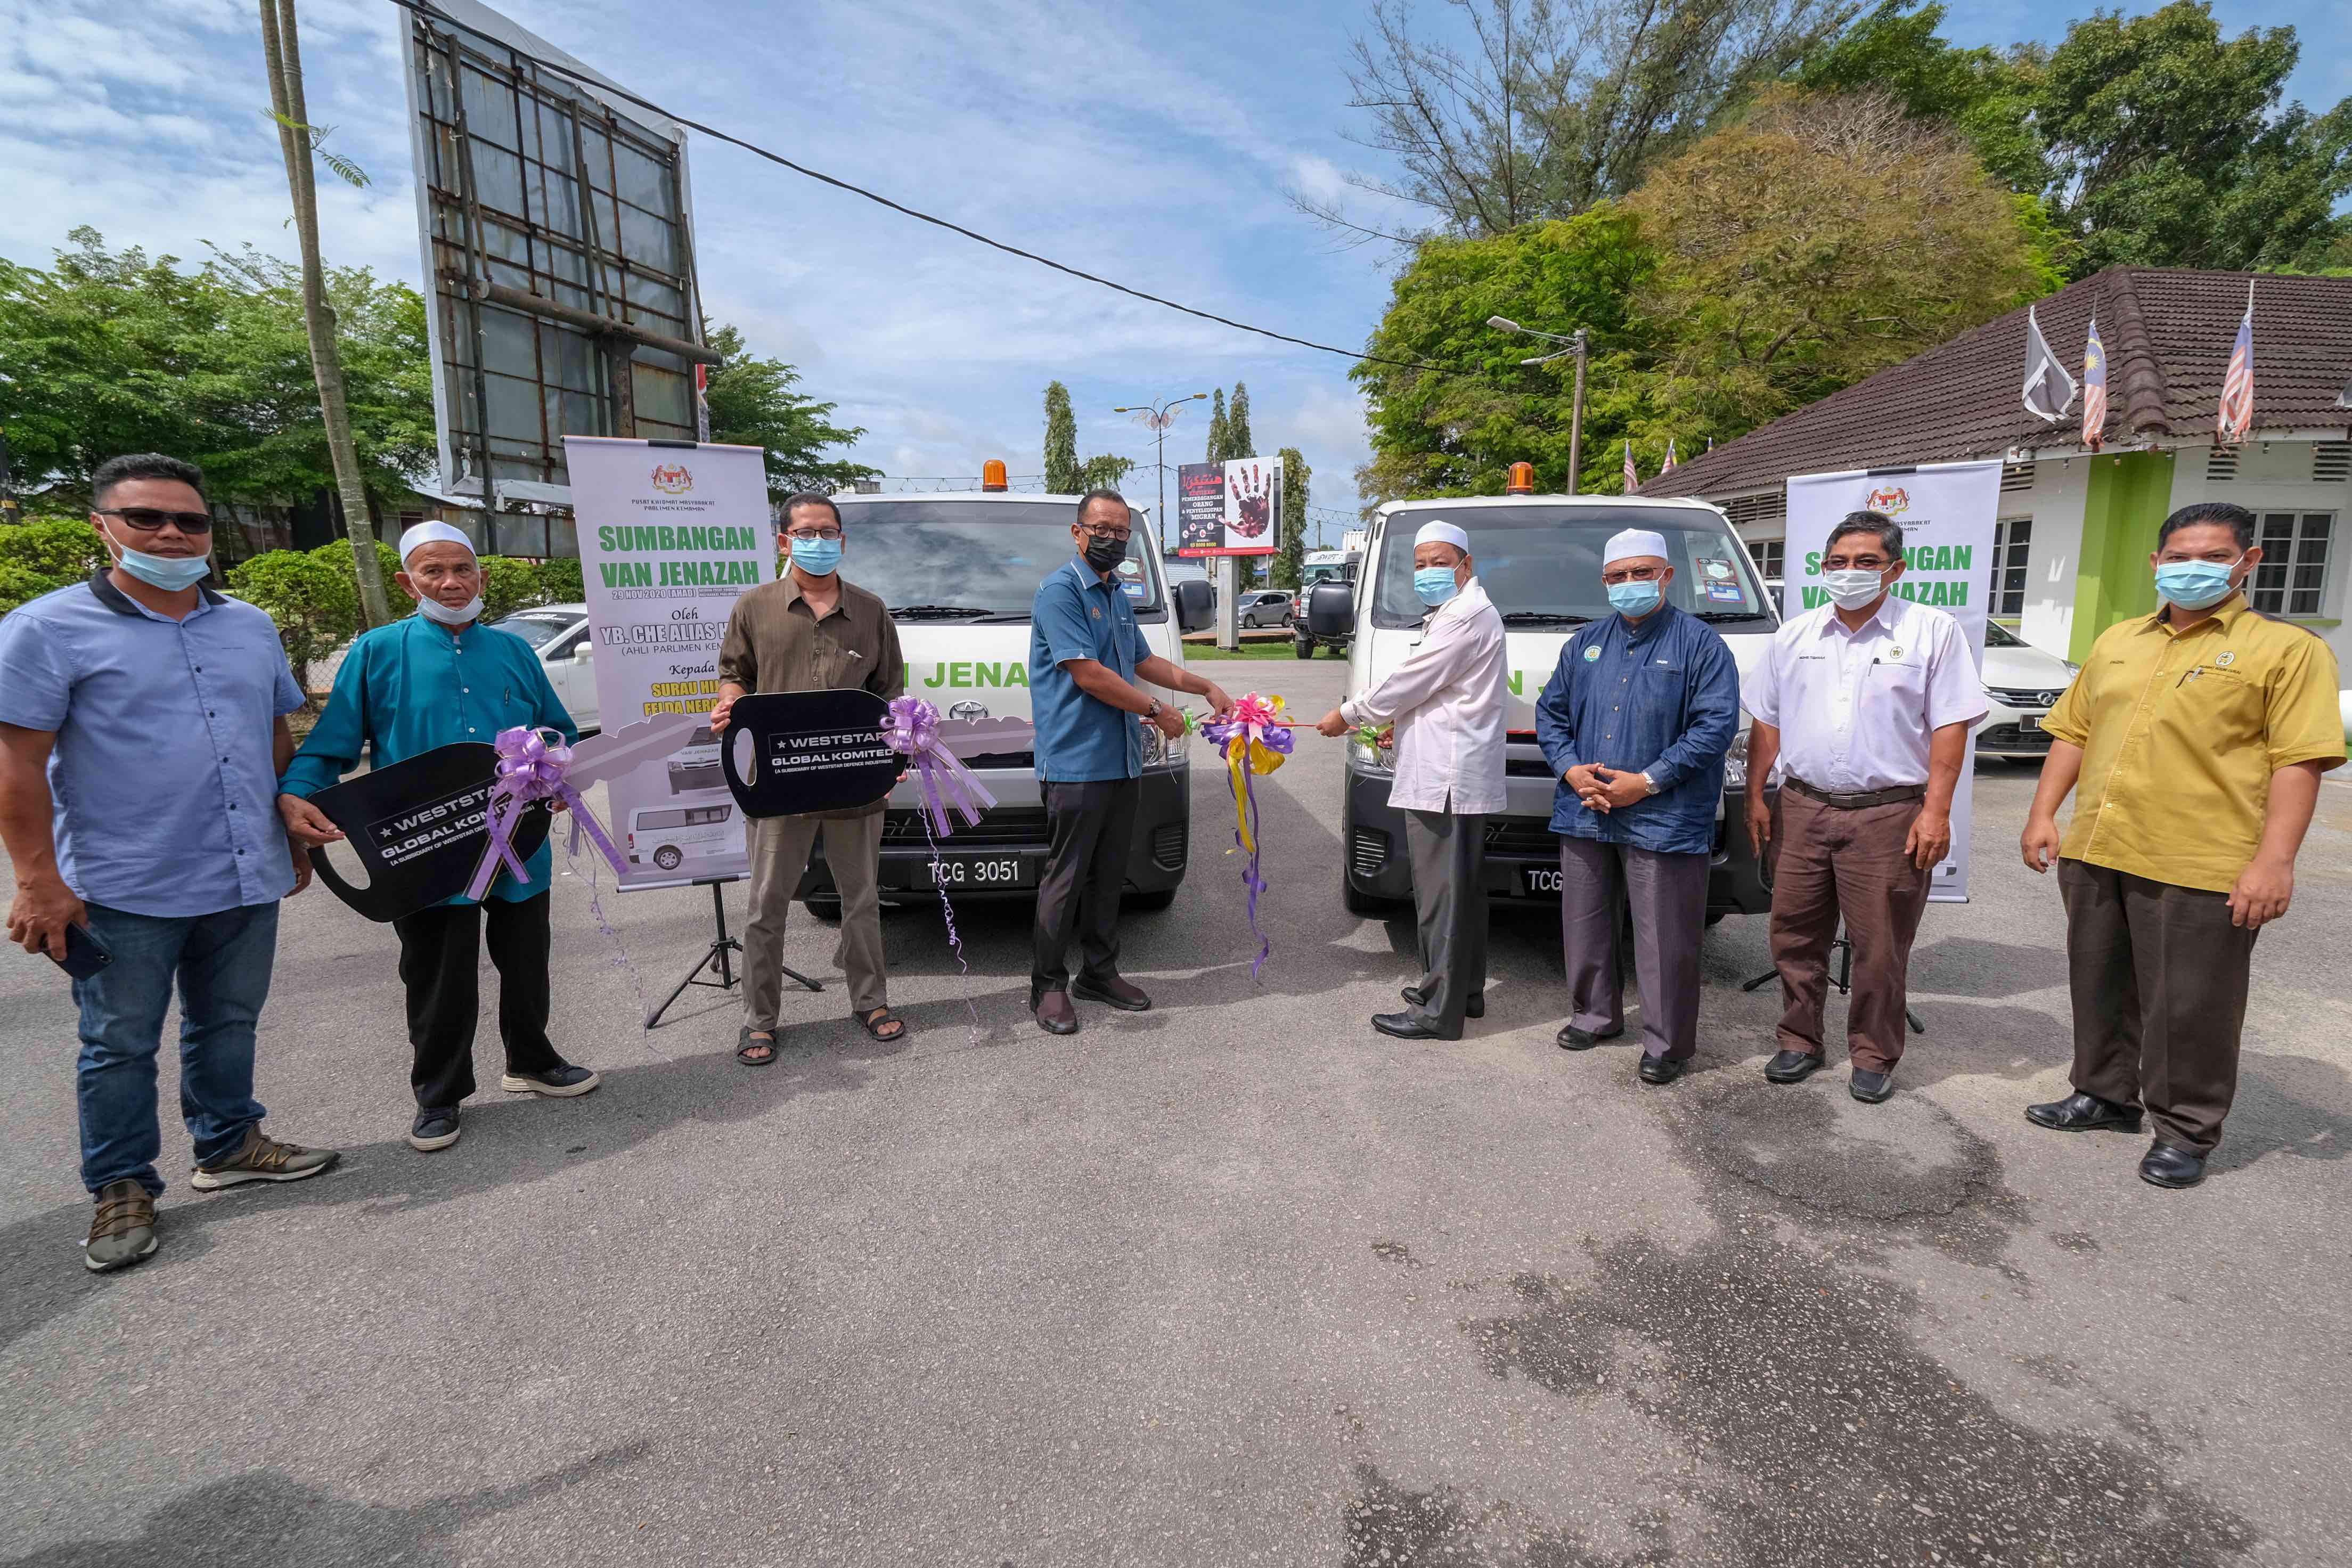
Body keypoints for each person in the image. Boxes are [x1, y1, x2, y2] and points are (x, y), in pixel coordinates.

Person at [0, 453, 337, 1275]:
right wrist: (38, 879)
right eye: (146, 517)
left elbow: (275, 735)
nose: (171, 534)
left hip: (242, 869)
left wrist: (287, 819)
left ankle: (228, 1142)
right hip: (123, 884)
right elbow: (16, 765)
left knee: (227, 1020)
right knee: (117, 1042)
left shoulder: (249, 626)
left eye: (189, 521)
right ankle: (120, 1184)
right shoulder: (46, 630)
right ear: (103, 527)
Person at [2021, 501, 2343, 1189]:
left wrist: (2275, 862)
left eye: (2213, 556)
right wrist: (2043, 813)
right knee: (2099, 983)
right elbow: (2073, 732)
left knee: (2190, 1004)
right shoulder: (2118, 643)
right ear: (2156, 564)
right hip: (2101, 847)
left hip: (2202, 861)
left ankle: (2186, 1130)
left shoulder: (2287, 652)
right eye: (2179, 557)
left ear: (2248, 563)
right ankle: (2105, 1095)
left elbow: (2299, 762)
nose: (2193, 568)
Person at [279, 522, 596, 1154]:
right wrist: (297, 791)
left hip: (518, 836)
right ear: (407, 582)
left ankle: (531, 1058)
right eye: (433, 571)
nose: (451, 582)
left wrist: (560, 771)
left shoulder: (512, 652)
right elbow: (333, 744)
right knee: (437, 972)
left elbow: (558, 731)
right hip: (427, 846)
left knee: (527, 958)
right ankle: (440, 1093)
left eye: (463, 570)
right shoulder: (377, 651)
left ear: (481, 577)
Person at [1741, 510, 1986, 1103]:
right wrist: (1756, 795)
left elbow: (1951, 728)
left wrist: (1937, 811)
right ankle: (1799, 1039)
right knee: (1794, 934)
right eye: (1838, 562)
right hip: (1802, 806)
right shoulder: (1795, 635)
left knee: (1880, 945)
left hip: (1889, 814)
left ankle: (1873, 1053)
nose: (1849, 572)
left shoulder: (1932, 632)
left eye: (1866, 562)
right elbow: (1766, 723)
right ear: (1822, 568)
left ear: (1896, 569)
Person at [1533, 528, 1740, 1084]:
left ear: (1667, 576)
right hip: (1586, 806)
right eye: (1619, 576)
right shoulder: (1584, 644)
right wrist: (1571, 768)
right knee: (1585, 924)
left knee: (1664, 935)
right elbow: (1550, 714)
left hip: (1664, 814)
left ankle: (1667, 1042)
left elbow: (1715, 727)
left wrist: (1646, 782)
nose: (1630, 584)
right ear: (1604, 582)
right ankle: (1595, 1016)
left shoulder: (1701, 645)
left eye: (1642, 573)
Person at [1028, 489, 1233, 1035]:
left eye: (1122, 532)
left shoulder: (1117, 594)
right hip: (1076, 763)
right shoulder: (1061, 591)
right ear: (1078, 532)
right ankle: (1047, 985)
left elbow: (1143, 660)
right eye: (1102, 528)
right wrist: (1157, 709)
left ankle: (1099, 971)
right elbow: (1089, 673)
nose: (1112, 539)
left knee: (1110, 875)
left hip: (1120, 760)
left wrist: (1204, 684)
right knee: (1066, 878)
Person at [711, 492, 906, 1064]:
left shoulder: (872, 611)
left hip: (854, 783)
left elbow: (890, 695)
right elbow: (732, 674)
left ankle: (870, 1001)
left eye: (828, 533)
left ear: (842, 542)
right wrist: (730, 702)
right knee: (767, 904)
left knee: (862, 898)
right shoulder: (755, 607)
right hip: (779, 782)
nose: (818, 542)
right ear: (784, 540)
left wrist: (888, 761)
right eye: (807, 532)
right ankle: (759, 1021)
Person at [1313, 519, 1508, 1042]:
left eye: (1440, 562)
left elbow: (1412, 681)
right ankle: (1459, 991)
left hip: (1447, 778)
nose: (1428, 572)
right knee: (1460, 891)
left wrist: (1351, 714)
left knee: (1443, 895)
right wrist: (1396, 729)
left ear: (1467, 566)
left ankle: (1438, 1012)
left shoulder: (1464, 617)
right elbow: (1439, 695)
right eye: (1420, 563)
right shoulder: (1457, 613)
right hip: (1447, 769)